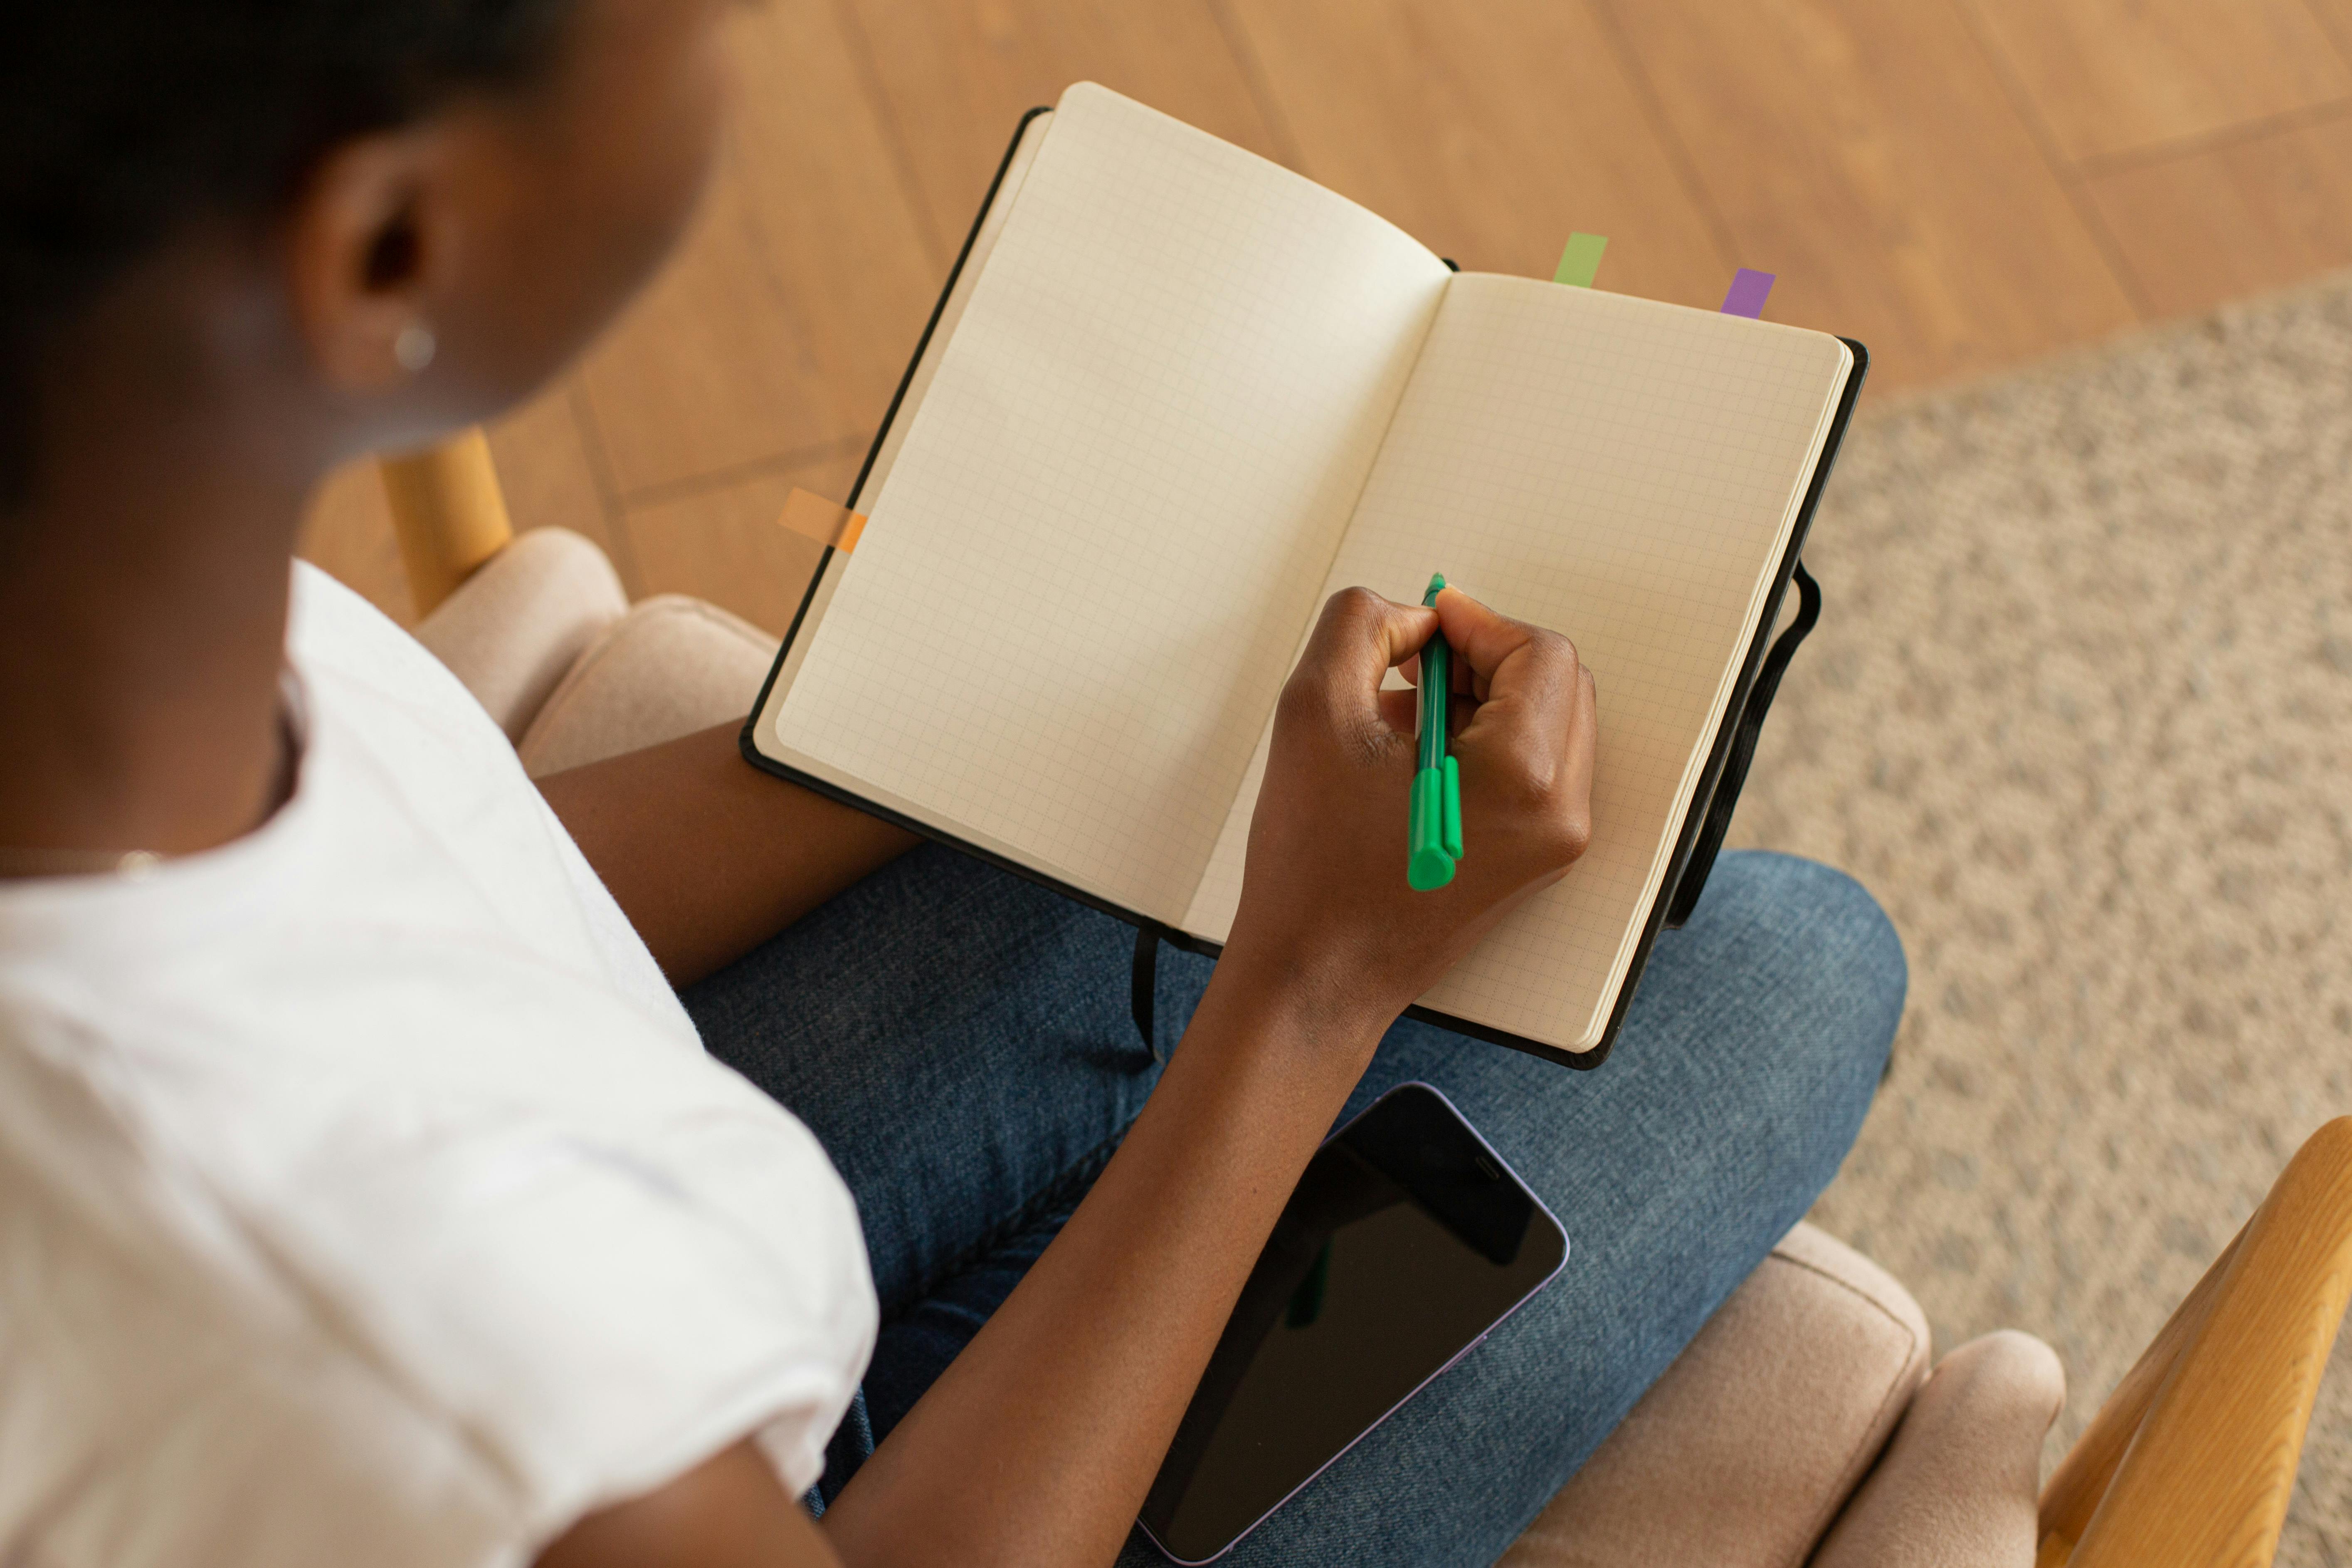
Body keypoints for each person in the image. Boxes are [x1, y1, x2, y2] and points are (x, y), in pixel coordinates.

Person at [0, 2, 1905, 1564]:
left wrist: (922, 737)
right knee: (1792, 967)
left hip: (628, 1227)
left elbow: (404, 903)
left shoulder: (98, 575)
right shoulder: (422, 1368)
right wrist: (1313, 983)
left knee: (1155, 807)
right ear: (383, 245)